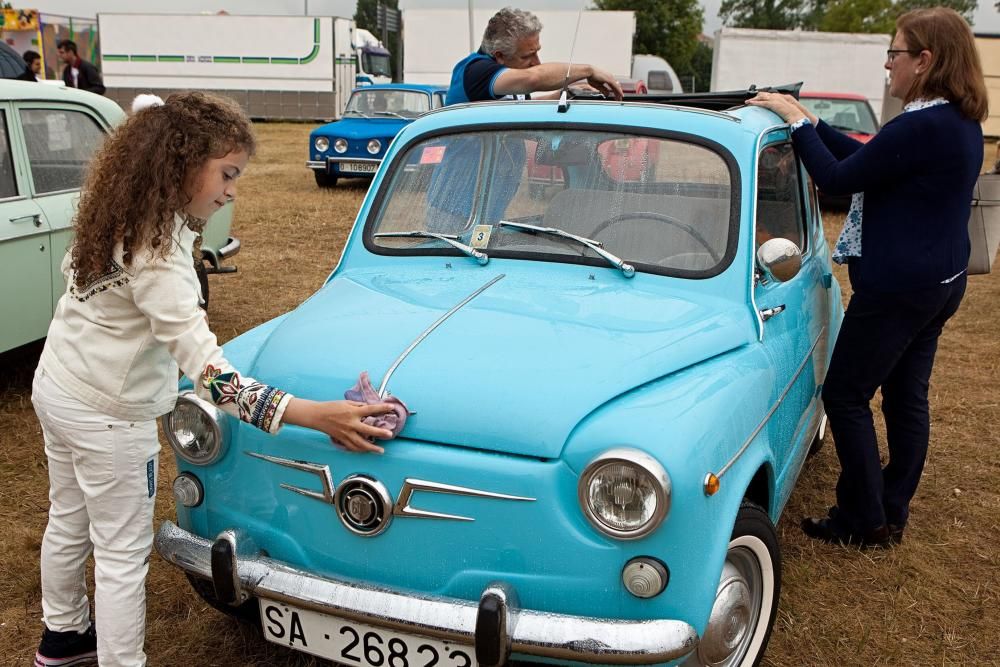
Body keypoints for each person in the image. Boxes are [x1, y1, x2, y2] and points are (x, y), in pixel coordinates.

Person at [31, 91, 397, 667]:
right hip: (108, 415)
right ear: (179, 163)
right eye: (226, 174)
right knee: (122, 553)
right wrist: (313, 414)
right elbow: (212, 379)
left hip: (59, 384)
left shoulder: (117, 206)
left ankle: (64, 637)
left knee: (68, 517)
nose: (231, 191)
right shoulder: (162, 255)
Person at [748, 6, 986, 548]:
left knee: (846, 394)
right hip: (940, 280)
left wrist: (798, 121)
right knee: (906, 397)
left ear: (924, 61)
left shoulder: (921, 125)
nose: (887, 65)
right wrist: (807, 119)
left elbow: (835, 176)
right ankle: (890, 510)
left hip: (899, 288)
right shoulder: (957, 119)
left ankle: (863, 518)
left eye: (894, 53)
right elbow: (866, 159)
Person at [445, 7, 623, 105]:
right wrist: (588, 70)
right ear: (499, 56)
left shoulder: (504, 80)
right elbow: (533, 78)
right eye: (527, 56)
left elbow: (525, 106)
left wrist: (567, 94)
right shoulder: (477, 71)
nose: (537, 63)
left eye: (537, 51)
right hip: (467, 173)